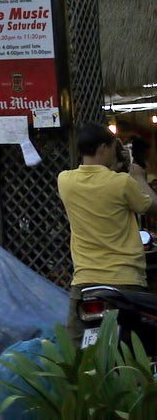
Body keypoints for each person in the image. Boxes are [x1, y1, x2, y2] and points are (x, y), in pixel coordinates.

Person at [58, 124, 156, 331]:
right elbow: (151, 206)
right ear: (103, 148)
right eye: (112, 147)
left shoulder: (65, 180)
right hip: (125, 280)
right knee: (132, 349)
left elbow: (95, 178)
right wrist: (138, 178)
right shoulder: (122, 183)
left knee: (79, 353)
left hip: (85, 282)